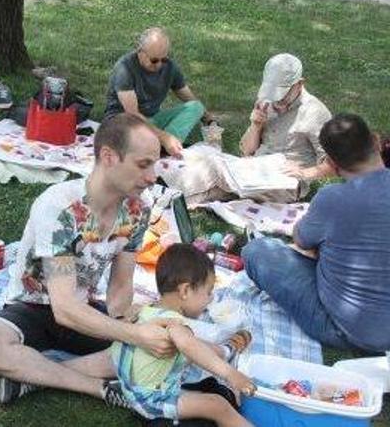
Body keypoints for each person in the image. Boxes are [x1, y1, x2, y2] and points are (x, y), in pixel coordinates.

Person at [0, 114, 177, 407]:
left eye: (154, 165)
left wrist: (123, 324)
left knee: (168, 347)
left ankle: (33, 376)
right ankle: (98, 387)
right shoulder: (62, 208)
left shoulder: (137, 210)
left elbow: (120, 286)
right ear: (108, 157)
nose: (153, 176)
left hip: (87, 310)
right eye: (143, 164)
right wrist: (135, 336)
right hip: (35, 307)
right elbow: (63, 309)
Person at [243, 113, 390, 353]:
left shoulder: (332, 198)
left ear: (331, 163)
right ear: (375, 141)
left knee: (257, 251)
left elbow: (301, 239)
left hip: (346, 331)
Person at [89, 244, 255, 426]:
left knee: (205, 386)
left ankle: (228, 349)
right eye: (208, 292)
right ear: (185, 291)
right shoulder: (175, 324)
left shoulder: (146, 310)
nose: (210, 299)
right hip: (151, 400)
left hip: (131, 388)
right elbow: (189, 346)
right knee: (218, 405)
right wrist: (230, 374)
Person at [103, 27, 215, 157]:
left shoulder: (169, 67)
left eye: (164, 59)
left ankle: (164, 145)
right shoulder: (125, 68)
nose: (160, 64)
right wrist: (164, 137)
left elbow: (187, 95)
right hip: (123, 123)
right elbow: (132, 115)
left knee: (196, 106)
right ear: (140, 52)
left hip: (152, 121)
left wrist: (207, 118)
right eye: (154, 60)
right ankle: (164, 144)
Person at [239, 53, 333, 199]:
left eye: (282, 96)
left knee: (234, 189)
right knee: (207, 162)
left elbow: (333, 163)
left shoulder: (315, 113)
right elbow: (247, 150)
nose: (276, 102)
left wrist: (303, 173)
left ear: (300, 84)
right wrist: (255, 126)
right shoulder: (266, 102)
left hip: (283, 180)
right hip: (255, 167)